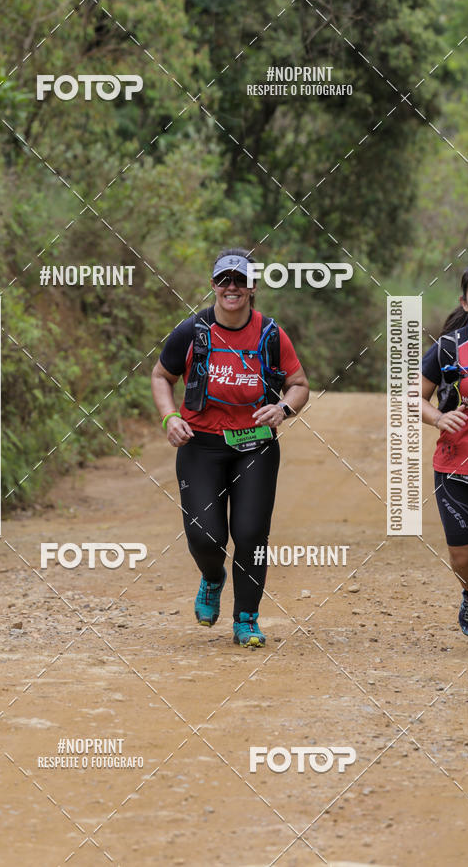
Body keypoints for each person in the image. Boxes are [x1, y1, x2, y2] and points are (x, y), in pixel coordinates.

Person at [151, 247, 309, 647]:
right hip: (200, 445)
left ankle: (247, 618)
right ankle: (213, 576)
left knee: (252, 532)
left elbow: (299, 384)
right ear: (213, 285)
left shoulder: (271, 333)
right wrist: (171, 417)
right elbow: (160, 375)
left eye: (240, 280)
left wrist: (283, 408)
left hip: (254, 444)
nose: (232, 287)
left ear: (253, 287)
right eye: (225, 280)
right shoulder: (192, 331)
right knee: (206, 535)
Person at [421, 261, 468, 655]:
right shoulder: (448, 349)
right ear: (465, 303)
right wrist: (439, 417)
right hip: (456, 466)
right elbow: (412, 398)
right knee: (463, 557)